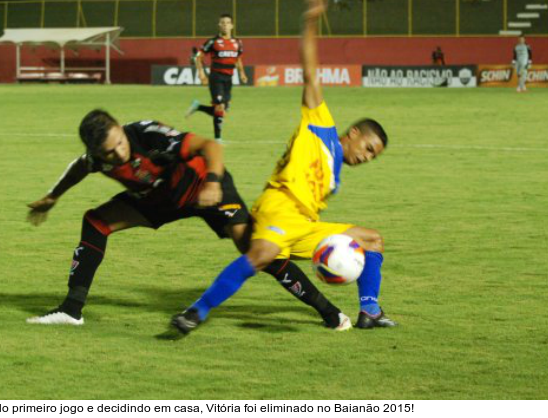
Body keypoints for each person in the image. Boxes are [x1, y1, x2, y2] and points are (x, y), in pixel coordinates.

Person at [172, 0, 397, 335]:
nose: (367, 157)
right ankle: (196, 311)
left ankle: (371, 311)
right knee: (261, 254)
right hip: (279, 208)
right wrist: (310, 22)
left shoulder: (335, 172)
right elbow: (311, 70)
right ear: (352, 134)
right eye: (367, 149)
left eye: (373, 156)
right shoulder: (319, 123)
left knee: (373, 240)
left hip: (305, 224)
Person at [25, 110, 350, 330]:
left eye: (120, 143)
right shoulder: (98, 157)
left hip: (206, 189)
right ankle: (71, 310)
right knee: (96, 221)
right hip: (158, 201)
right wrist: (53, 196)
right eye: (109, 152)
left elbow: (211, 146)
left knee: (256, 252)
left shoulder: (148, 134)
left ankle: (329, 312)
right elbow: (80, 166)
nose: (119, 154)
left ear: (122, 130)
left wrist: (211, 180)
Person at [185, 14, 249, 143]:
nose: (225, 25)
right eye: (222, 23)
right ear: (219, 25)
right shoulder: (213, 42)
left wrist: (242, 73)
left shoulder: (237, 43)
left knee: (222, 110)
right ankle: (218, 139)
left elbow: (238, 58)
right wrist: (201, 73)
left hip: (229, 78)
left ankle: (198, 107)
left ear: (232, 25)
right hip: (216, 77)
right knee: (219, 107)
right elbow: (199, 56)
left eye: (227, 23)